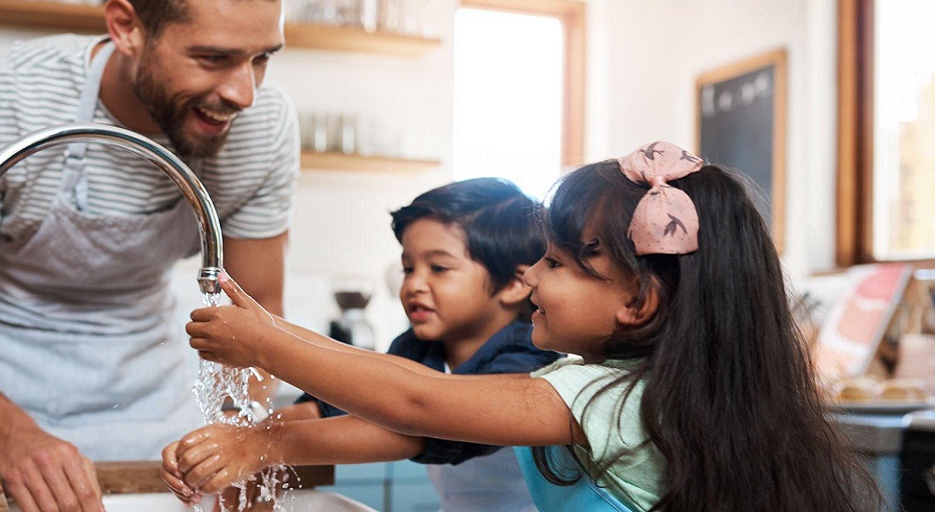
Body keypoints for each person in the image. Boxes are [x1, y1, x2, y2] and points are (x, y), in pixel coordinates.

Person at [181, 142, 883, 512]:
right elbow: (399, 384)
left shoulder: (599, 395)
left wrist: (268, 345)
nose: (534, 278)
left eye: (557, 262)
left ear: (637, 303)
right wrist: (265, 416)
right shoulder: (629, 387)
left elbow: (419, 405)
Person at [0, 0, 296, 511]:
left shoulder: (261, 127)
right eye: (213, 58)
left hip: (157, 407)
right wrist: (6, 433)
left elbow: (263, 319)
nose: (244, 93)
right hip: (1, 392)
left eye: (262, 58)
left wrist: (238, 435)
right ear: (126, 27)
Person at [162, 178, 562, 511]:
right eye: (408, 267)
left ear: (514, 283)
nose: (413, 283)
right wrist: (226, 445)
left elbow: (414, 426)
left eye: (438, 268)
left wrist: (257, 446)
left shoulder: (528, 356)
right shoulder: (423, 347)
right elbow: (335, 400)